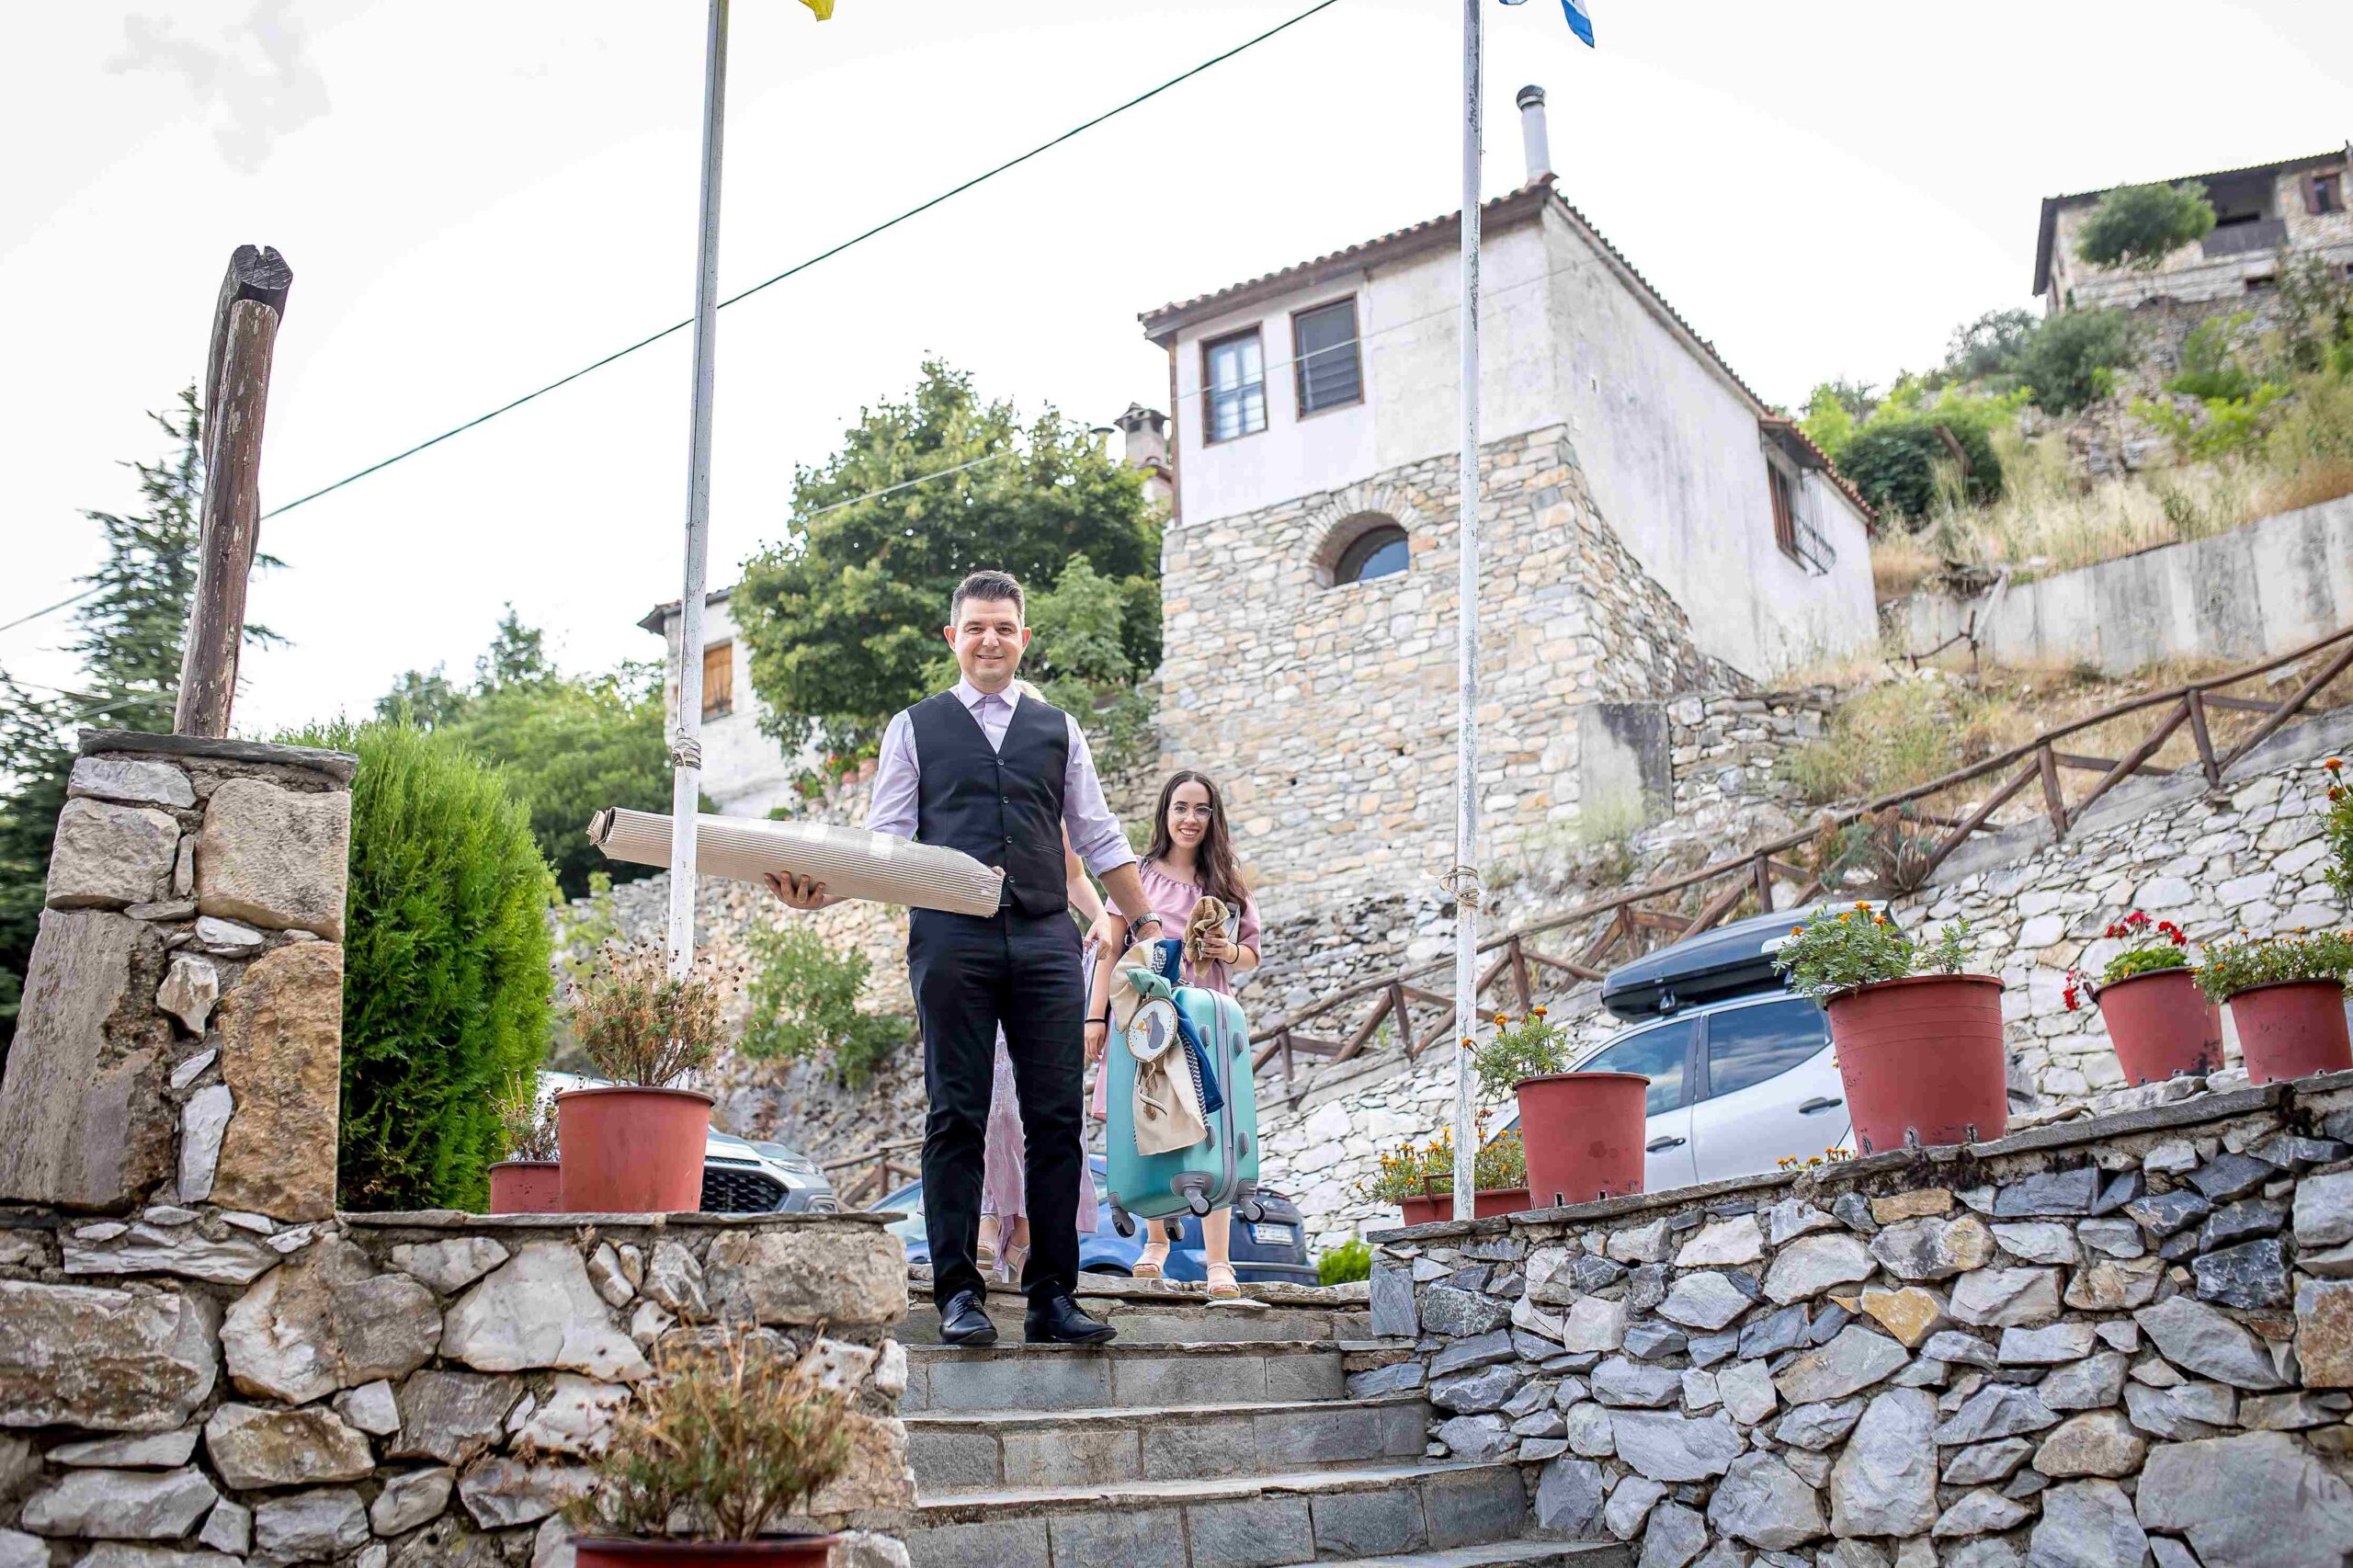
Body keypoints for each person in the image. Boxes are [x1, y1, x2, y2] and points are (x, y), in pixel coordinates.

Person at [767, 570, 1160, 1348]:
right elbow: (885, 842)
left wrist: (1144, 921)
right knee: (957, 1114)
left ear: (1023, 638)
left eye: (1004, 627)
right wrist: (823, 894)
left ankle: (1052, 1297)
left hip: (1046, 935)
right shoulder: (914, 727)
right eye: (976, 626)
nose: (990, 640)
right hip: (951, 937)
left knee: (1057, 1118)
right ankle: (958, 1294)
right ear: (953, 637)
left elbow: (1098, 833)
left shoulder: (1059, 728)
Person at [1086, 767, 1261, 1300]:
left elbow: (1252, 954)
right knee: (1152, 1119)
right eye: (1181, 807)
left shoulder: (1227, 881)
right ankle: (1156, 1243)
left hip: (1205, 1018)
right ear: (1165, 812)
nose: (1190, 819)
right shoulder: (1137, 874)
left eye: (1201, 809)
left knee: (1213, 1129)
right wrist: (1095, 1018)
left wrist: (1226, 950)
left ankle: (1219, 1264)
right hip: (1146, 1018)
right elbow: (1112, 950)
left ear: (1213, 818)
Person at [976, 820, 1107, 1285]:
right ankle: (989, 1215)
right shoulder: (963, 806)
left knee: (1043, 1108)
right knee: (990, 1102)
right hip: (978, 960)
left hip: (1043, 961)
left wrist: (1101, 916)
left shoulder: (1049, 812)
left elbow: (1074, 876)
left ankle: (1024, 1230)